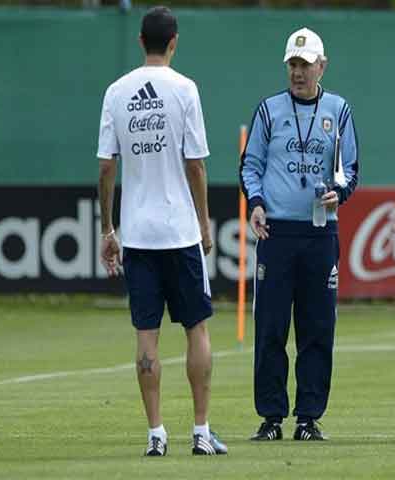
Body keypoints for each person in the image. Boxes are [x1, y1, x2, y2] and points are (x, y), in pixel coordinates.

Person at [96, 6, 227, 457]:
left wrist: (108, 228)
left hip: (137, 235)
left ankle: (156, 434)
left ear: (140, 41)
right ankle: (201, 430)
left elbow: (106, 167)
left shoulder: (116, 92)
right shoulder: (185, 89)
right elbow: (196, 165)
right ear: (174, 42)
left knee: (146, 335)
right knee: (197, 329)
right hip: (179, 232)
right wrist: (204, 223)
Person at [240, 27, 359, 442]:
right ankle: (271, 417)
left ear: (322, 66)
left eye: (306, 65)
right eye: (293, 64)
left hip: (320, 232)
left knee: (317, 329)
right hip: (276, 233)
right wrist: (256, 203)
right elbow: (250, 165)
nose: (298, 72)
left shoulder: (339, 110)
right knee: (270, 328)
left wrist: (340, 192)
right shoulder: (269, 110)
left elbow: (350, 169)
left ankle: (308, 418)